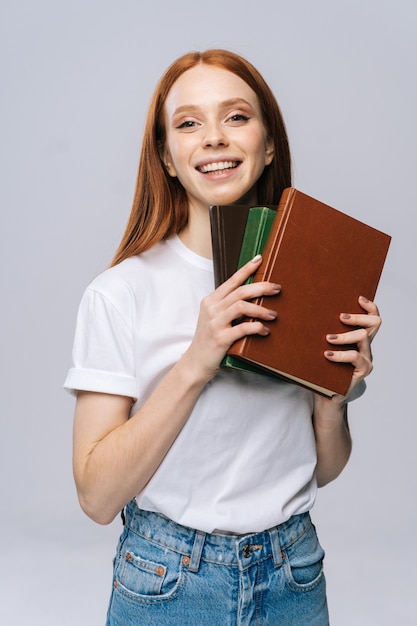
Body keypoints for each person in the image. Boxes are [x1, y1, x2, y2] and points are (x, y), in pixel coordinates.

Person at [64, 49, 380, 625]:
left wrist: (333, 396)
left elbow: (322, 469)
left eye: (236, 116)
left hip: (294, 570)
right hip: (168, 580)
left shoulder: (311, 280)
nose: (213, 137)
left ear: (269, 145)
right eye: (188, 123)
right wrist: (197, 360)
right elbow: (97, 499)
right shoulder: (118, 293)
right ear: (167, 156)